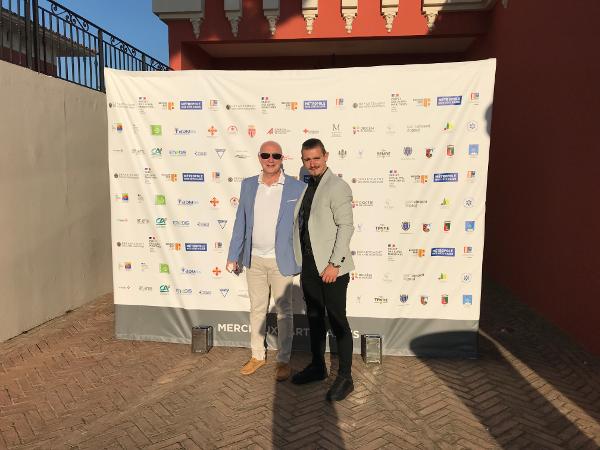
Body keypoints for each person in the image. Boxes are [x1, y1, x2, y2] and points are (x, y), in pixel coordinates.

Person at [226, 141, 306, 381]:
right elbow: (240, 222)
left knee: (284, 312)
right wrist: (233, 255)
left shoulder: (297, 187)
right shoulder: (248, 185)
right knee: (257, 309)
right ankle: (257, 356)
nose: (270, 159)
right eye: (266, 155)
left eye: (276, 155)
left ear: (282, 158)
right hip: (254, 260)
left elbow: (303, 226)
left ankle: (283, 360)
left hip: (282, 261)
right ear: (259, 157)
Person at [291, 138, 355, 401]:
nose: (312, 163)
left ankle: (346, 377)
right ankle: (318, 367)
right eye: (307, 159)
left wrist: (334, 264)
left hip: (332, 268)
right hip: (310, 265)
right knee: (315, 318)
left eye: (316, 158)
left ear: (326, 156)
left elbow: (346, 227)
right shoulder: (308, 187)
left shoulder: (337, 186)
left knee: (338, 320)